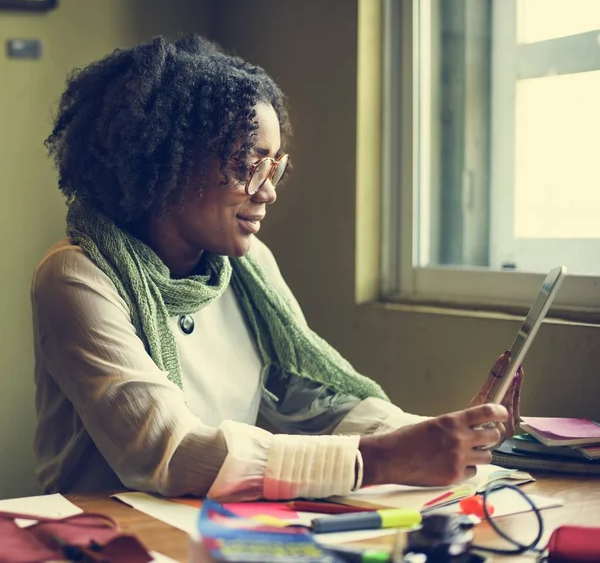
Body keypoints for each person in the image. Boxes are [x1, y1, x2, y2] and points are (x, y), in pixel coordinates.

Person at [32, 35, 521, 500]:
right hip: (103, 537)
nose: (268, 191)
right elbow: (168, 450)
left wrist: (437, 435)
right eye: (250, 165)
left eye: (275, 167)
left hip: (204, 522)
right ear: (168, 165)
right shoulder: (76, 278)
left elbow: (298, 399)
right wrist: (380, 459)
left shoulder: (247, 268)